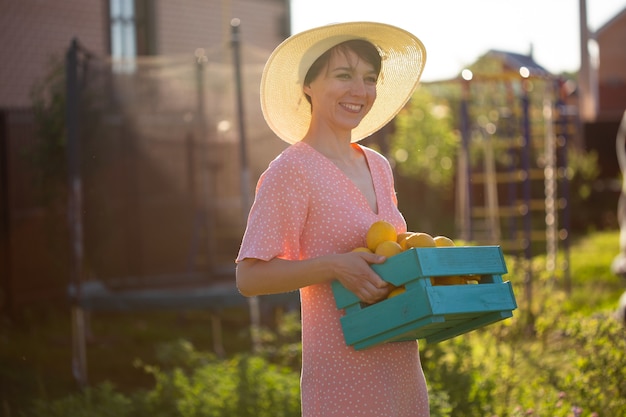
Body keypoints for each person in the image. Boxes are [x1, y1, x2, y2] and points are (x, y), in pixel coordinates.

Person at [236, 21, 429, 416]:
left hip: (402, 368)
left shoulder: (378, 165)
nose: (360, 90)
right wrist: (333, 267)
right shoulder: (292, 170)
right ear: (308, 85)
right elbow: (249, 277)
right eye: (344, 75)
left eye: (369, 78)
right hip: (343, 379)